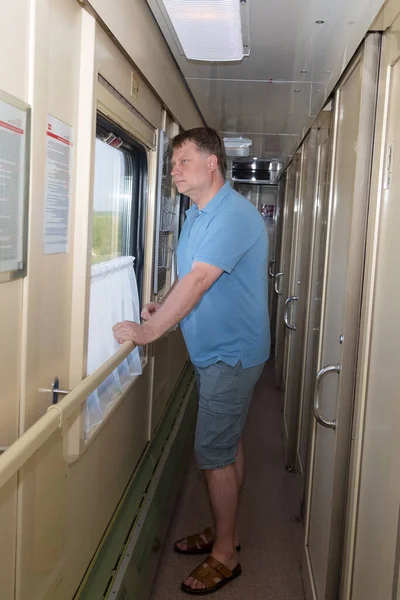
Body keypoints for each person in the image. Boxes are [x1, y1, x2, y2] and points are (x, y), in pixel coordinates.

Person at [113, 127, 270, 595]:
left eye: (183, 161)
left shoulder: (235, 215)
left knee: (214, 454)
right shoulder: (196, 214)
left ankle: (224, 555)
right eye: (172, 163)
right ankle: (230, 532)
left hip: (231, 355)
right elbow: (187, 276)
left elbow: (200, 281)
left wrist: (149, 332)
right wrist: (162, 302)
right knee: (228, 444)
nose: (174, 170)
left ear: (212, 163)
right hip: (214, 352)